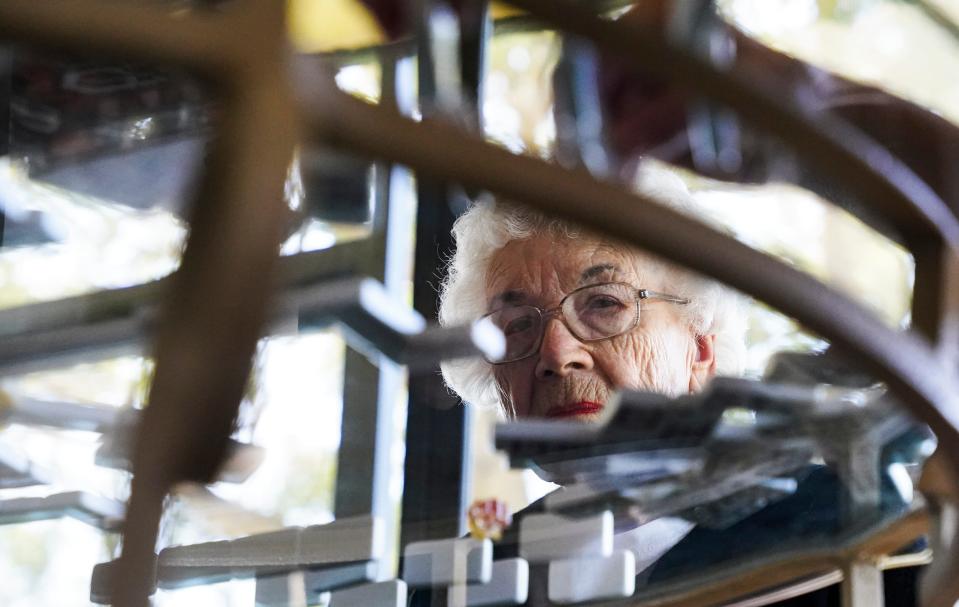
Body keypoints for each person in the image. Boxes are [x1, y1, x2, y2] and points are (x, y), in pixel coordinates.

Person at [433, 165, 917, 606]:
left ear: (700, 349)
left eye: (603, 304)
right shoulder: (452, 583)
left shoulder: (849, 520)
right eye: (517, 325)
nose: (557, 355)